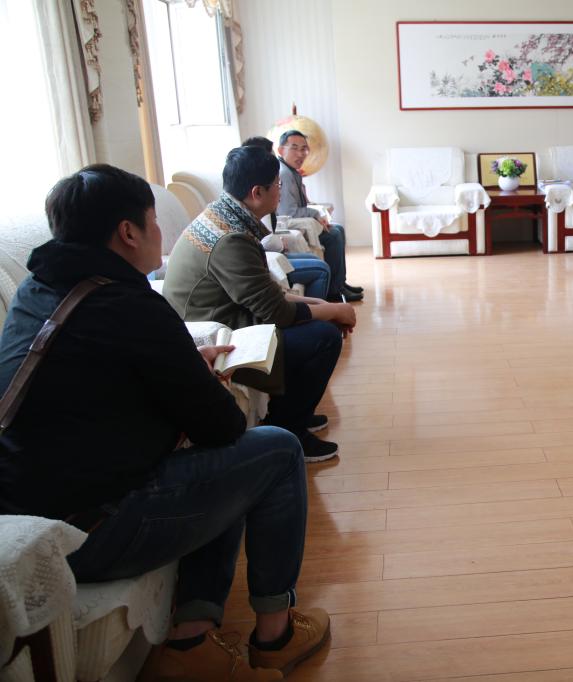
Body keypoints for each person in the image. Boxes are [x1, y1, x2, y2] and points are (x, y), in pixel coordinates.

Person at [0, 164, 330, 681]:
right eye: (154, 220)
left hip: (30, 506)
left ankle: (191, 641)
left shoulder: (37, 291)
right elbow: (222, 427)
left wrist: (180, 371)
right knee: (276, 450)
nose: (161, 232)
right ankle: (276, 635)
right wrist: (203, 379)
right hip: (88, 531)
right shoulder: (131, 306)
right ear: (127, 232)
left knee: (223, 466)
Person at [163, 146, 356, 461]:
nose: (280, 191)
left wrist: (322, 304)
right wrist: (334, 311)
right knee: (323, 337)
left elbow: (265, 293)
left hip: (227, 312)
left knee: (320, 321)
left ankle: (293, 412)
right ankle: (288, 429)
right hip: (217, 332)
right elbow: (276, 312)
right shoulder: (231, 239)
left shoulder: (223, 216)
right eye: (277, 185)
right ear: (257, 192)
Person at [276, 130, 363, 301]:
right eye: (294, 148)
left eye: (304, 149)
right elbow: (289, 212)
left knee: (338, 229)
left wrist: (314, 211)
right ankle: (334, 291)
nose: (301, 154)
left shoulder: (292, 171)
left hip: (298, 220)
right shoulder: (284, 173)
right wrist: (315, 213)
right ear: (281, 150)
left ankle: (340, 283)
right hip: (288, 224)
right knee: (334, 234)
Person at [242, 136, 332, 300]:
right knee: (321, 267)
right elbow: (266, 236)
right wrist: (278, 242)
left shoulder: (270, 181)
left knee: (318, 256)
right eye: (278, 186)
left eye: (304, 149)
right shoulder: (262, 188)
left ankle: (333, 292)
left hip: (268, 250)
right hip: (265, 256)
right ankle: (318, 307)